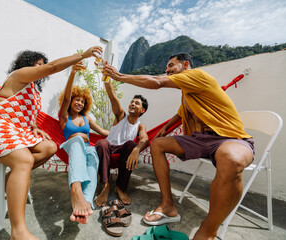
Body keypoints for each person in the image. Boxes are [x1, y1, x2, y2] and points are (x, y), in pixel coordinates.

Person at [102, 53, 254, 240]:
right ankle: (167, 205)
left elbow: (157, 82)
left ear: (186, 65)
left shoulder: (199, 76)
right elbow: (180, 114)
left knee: (231, 158)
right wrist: (164, 129)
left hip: (229, 138)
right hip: (200, 139)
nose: (168, 70)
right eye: (166, 68)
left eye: (171, 65)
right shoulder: (187, 94)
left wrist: (119, 76)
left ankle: (209, 229)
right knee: (157, 144)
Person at [0, 46, 102, 240]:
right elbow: (53, 67)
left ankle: (9, 182)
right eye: (37, 64)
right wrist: (83, 55)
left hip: (16, 131)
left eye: (42, 64)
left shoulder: (33, 92)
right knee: (24, 160)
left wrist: (35, 128)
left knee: (50, 147)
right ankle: (18, 232)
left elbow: (27, 116)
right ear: (26, 64)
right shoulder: (18, 75)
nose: (41, 68)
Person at [58, 61, 109, 224]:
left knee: (93, 164)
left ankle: (84, 204)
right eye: (77, 100)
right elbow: (66, 98)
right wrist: (72, 73)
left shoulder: (87, 118)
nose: (80, 103)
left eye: (83, 101)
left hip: (88, 148)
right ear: (71, 101)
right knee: (78, 141)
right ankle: (76, 191)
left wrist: (127, 133)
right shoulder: (64, 116)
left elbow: (103, 132)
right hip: (71, 147)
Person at [94, 78, 149, 207]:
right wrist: (107, 78)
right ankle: (105, 185)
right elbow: (113, 97)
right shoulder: (121, 115)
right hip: (108, 148)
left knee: (131, 144)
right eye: (132, 102)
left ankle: (120, 187)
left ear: (142, 110)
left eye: (137, 103)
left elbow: (144, 139)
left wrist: (136, 150)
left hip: (123, 152)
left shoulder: (141, 126)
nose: (133, 104)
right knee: (102, 143)